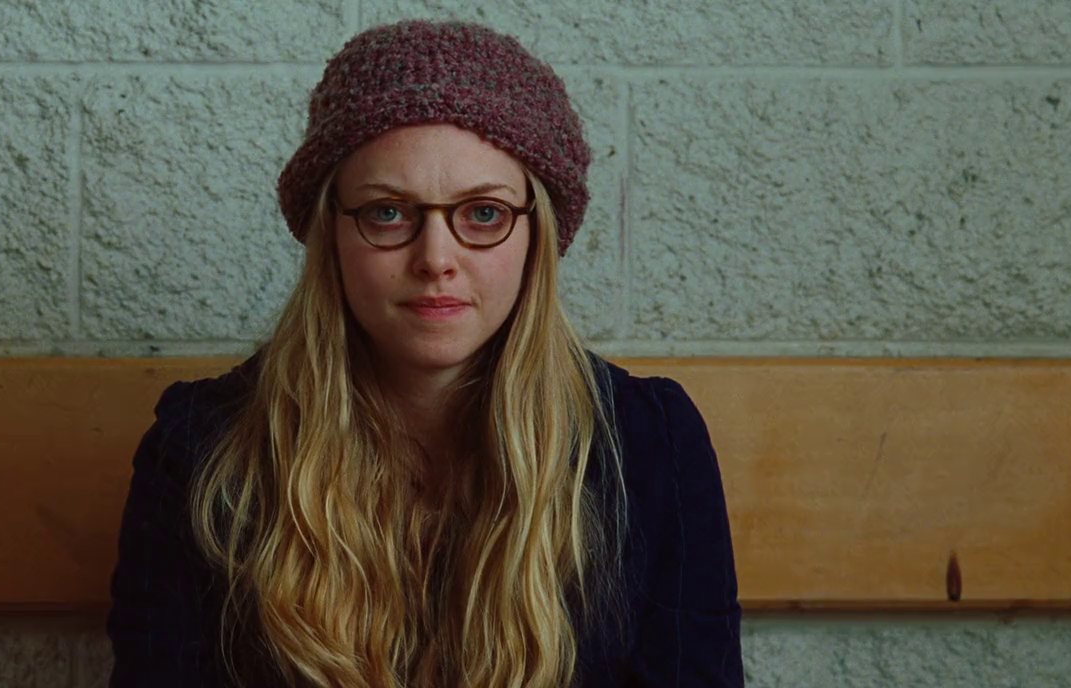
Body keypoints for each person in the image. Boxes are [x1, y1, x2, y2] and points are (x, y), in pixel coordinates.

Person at [106, 19, 743, 688]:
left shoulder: (649, 445)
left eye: (484, 213)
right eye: (387, 212)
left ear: (537, 234)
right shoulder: (204, 450)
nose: (436, 258)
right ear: (331, 232)